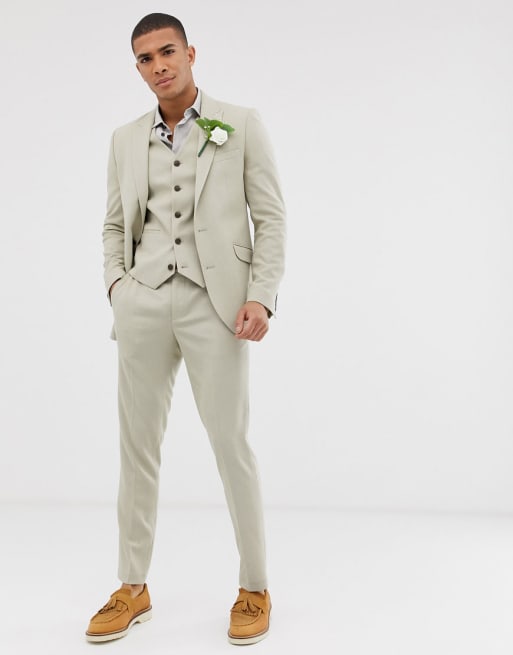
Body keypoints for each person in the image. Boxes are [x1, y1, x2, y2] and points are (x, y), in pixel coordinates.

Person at [85, 12, 286, 646]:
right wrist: (118, 288)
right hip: (143, 303)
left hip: (217, 306)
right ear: (138, 68)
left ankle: (254, 587)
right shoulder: (124, 139)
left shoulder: (240, 124)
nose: (159, 66)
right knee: (136, 448)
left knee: (231, 445)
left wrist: (260, 297)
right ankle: (132, 586)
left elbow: (270, 219)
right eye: (145, 59)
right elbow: (114, 224)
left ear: (190, 53)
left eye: (167, 52)